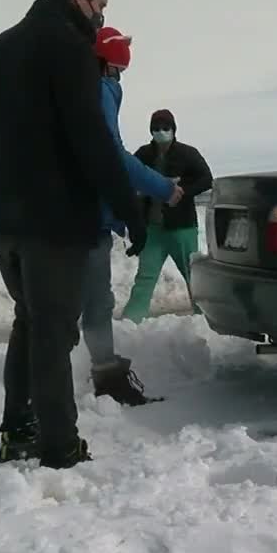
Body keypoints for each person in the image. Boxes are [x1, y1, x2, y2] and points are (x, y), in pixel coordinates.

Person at [0, 0, 146, 470]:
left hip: (2, 217)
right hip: (52, 217)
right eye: (101, 4)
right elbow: (90, 140)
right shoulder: (68, 49)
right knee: (54, 332)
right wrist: (129, 208)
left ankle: (18, 428)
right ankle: (59, 446)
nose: (101, 16)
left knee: (31, 321)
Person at [81, 26, 183, 406]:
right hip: (84, 220)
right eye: (119, 71)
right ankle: (103, 377)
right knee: (93, 301)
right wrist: (162, 188)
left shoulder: (79, 86)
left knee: (89, 301)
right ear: (110, 65)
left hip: (80, 216)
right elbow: (113, 156)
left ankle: (100, 370)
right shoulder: (99, 88)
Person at [121, 109, 213, 322]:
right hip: (153, 229)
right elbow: (130, 179)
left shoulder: (188, 154)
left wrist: (181, 190)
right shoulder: (143, 154)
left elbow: (206, 179)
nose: (160, 132)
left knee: (193, 277)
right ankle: (129, 324)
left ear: (173, 129)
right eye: (156, 128)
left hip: (182, 228)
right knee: (145, 278)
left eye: (165, 128)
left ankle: (207, 320)